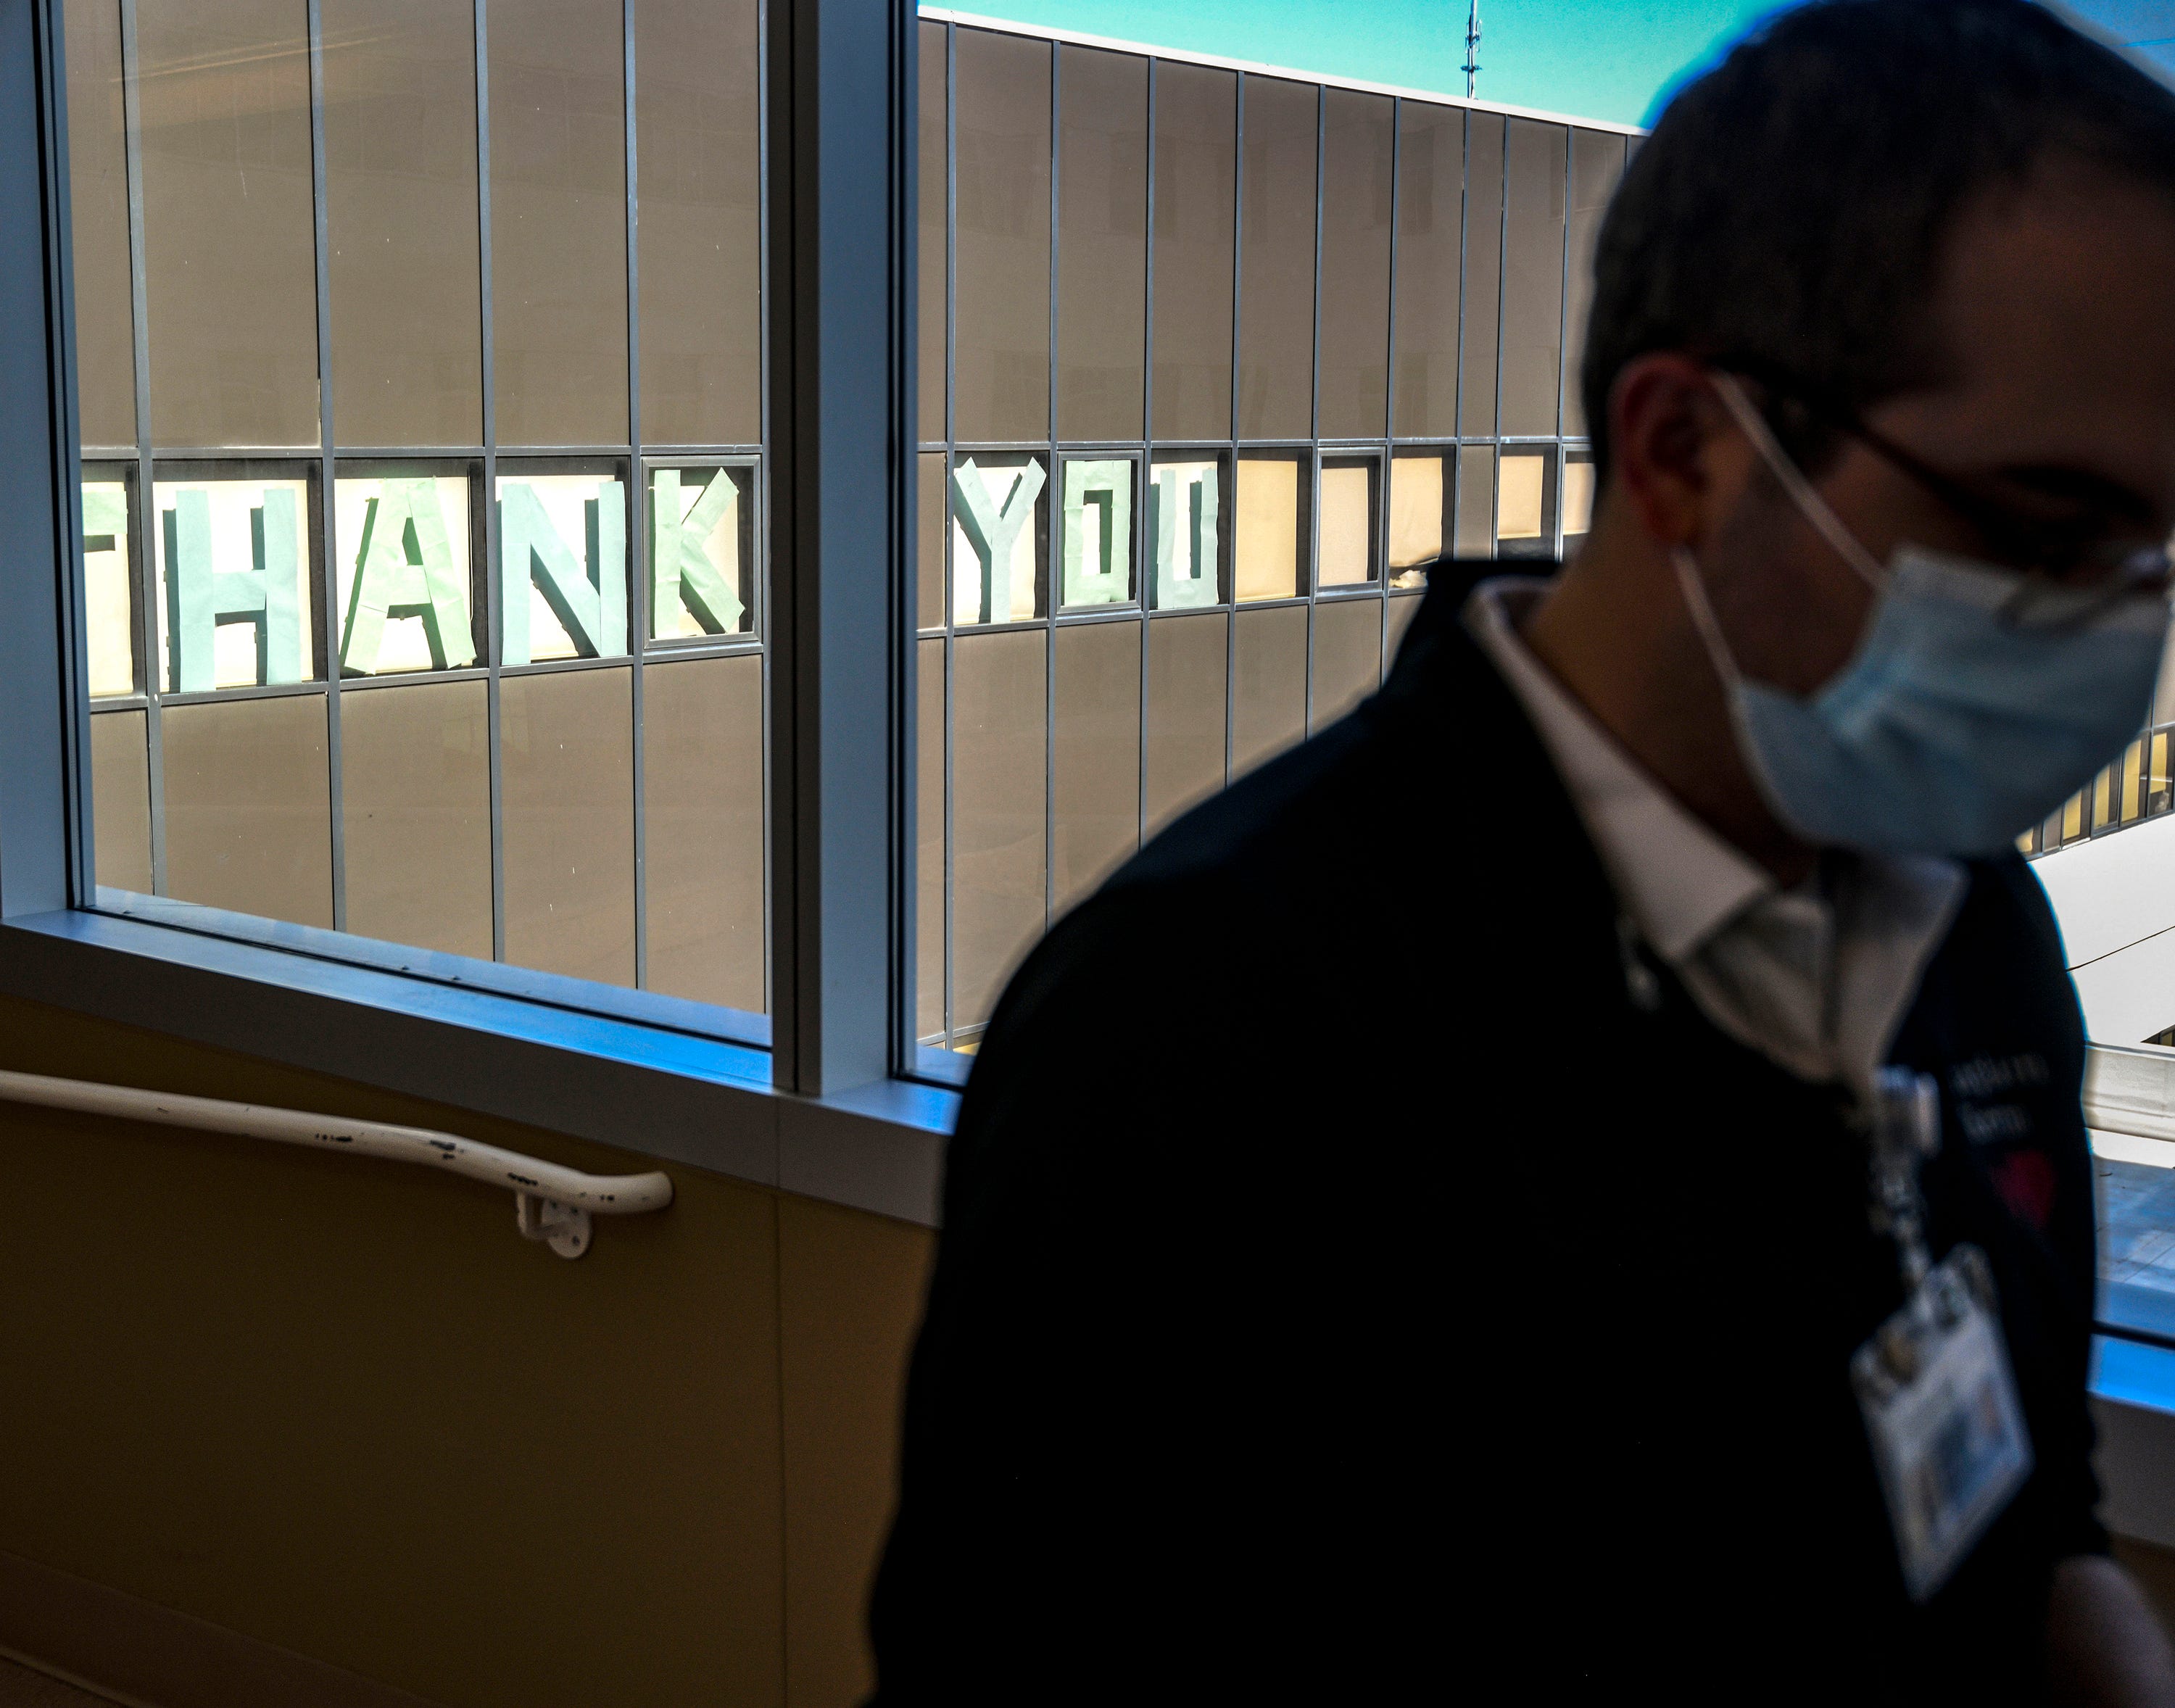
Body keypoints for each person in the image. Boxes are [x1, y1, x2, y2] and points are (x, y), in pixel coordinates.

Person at [869, 1, 2175, 1698]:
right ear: (1684, 450)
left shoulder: (1974, 924)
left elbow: (2030, 1527)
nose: (2118, 628)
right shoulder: (1215, 1026)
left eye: (2153, 546)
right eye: (2042, 527)